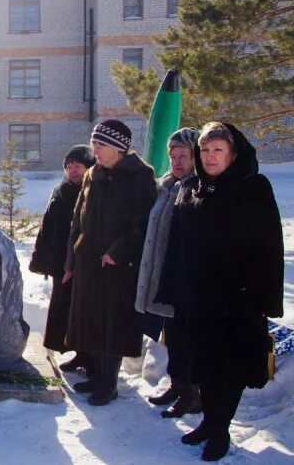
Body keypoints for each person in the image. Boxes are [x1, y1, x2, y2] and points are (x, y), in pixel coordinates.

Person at [154, 122, 283, 461]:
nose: (210, 157)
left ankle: (220, 431)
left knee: (228, 371)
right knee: (203, 367)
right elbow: (176, 245)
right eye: (206, 150)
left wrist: (263, 298)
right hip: (196, 301)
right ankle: (209, 422)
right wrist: (172, 287)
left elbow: (270, 246)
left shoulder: (252, 188)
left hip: (236, 300)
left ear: (234, 153)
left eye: (218, 150)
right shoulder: (191, 187)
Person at [62, 119, 157, 406]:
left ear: (119, 148)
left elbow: (142, 224)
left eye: (100, 145)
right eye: (94, 144)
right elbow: (78, 220)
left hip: (117, 267)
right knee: (91, 321)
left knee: (112, 325)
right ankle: (97, 376)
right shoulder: (93, 174)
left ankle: (109, 383)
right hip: (89, 262)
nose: (95, 150)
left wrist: (117, 251)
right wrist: (71, 261)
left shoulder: (140, 176)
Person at [134, 128, 200, 418]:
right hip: (163, 275)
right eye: (173, 156)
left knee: (187, 338)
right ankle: (177, 384)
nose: (176, 161)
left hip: (185, 279)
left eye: (183, 156)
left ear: (196, 156)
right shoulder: (167, 186)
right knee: (172, 335)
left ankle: (192, 393)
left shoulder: (198, 188)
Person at [29, 145, 95, 374]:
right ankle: (78, 353)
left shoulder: (93, 192)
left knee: (84, 313)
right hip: (61, 264)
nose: (73, 171)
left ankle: (91, 357)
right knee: (65, 311)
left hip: (84, 265)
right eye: (69, 167)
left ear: (89, 167)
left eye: (78, 166)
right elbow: (46, 226)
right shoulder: (60, 191)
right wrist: (42, 258)